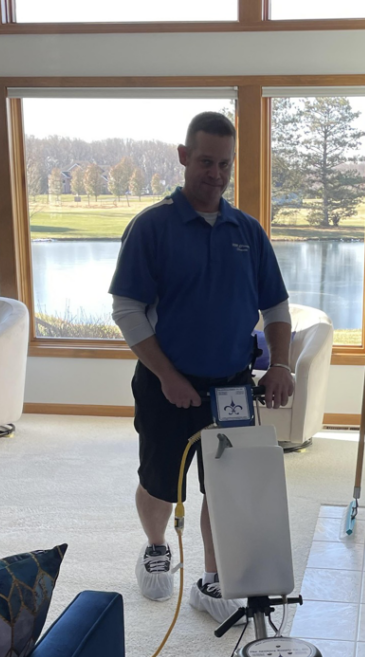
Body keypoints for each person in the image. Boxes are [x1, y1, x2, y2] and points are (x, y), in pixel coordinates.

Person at [109, 111, 294, 623]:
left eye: (224, 164)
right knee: (160, 481)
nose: (216, 173)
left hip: (231, 388)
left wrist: (281, 364)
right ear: (184, 157)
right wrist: (168, 377)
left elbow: (277, 308)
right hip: (165, 384)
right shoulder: (152, 227)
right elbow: (126, 310)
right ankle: (156, 546)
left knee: (226, 485)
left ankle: (213, 578)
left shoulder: (247, 231)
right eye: (206, 161)